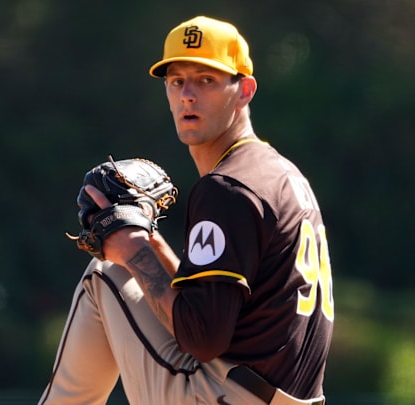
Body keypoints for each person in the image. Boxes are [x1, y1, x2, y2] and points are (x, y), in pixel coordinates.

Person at [38, 15, 334, 405]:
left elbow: (202, 338)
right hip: (269, 395)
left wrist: (131, 249)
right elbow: (211, 310)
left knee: (107, 273)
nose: (187, 95)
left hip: (228, 396)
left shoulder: (226, 188)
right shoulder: (275, 173)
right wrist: (153, 244)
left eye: (206, 80)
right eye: (176, 81)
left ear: (244, 90)